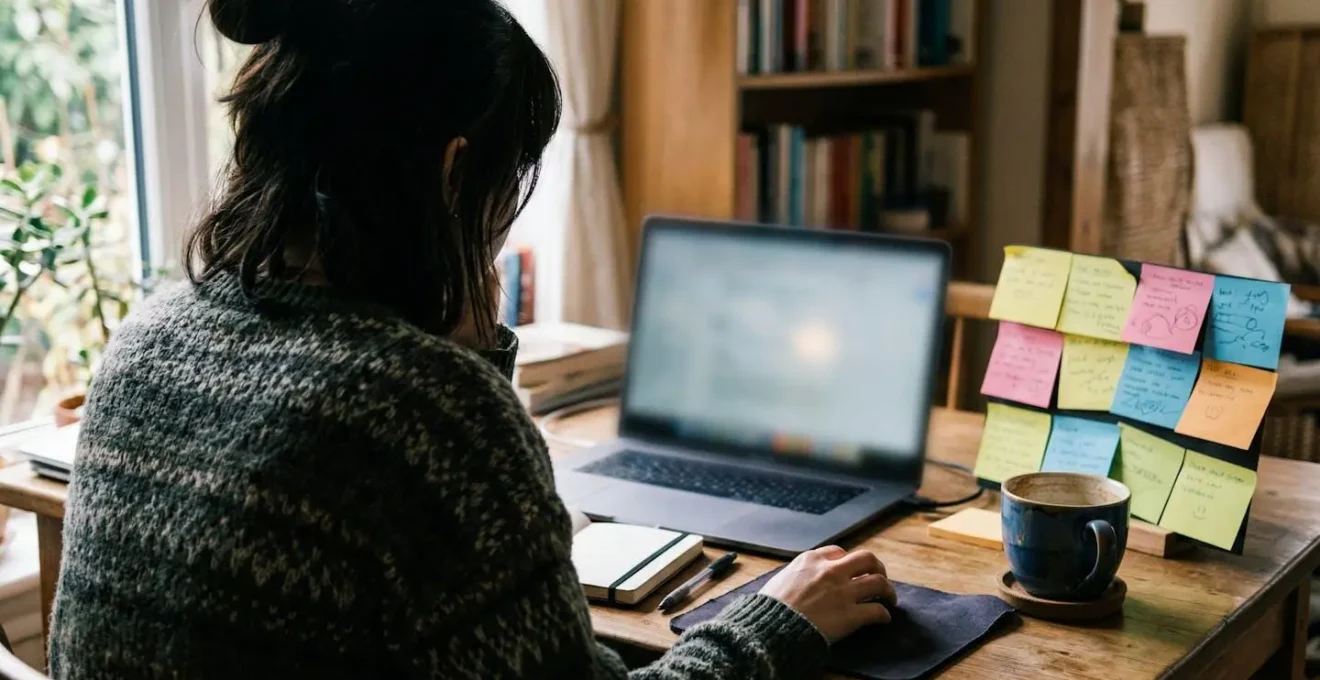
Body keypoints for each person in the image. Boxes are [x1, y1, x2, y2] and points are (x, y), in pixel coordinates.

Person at [47, 0, 898, 677]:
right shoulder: (426, 410)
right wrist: (779, 620)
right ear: (454, 171)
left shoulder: (146, 337)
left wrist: (462, 347)